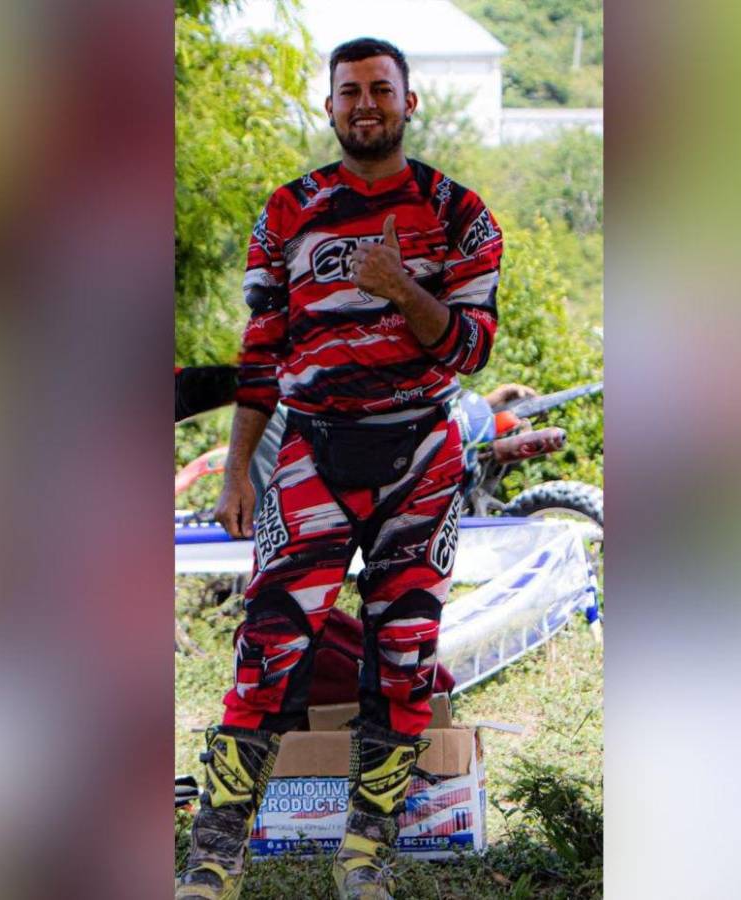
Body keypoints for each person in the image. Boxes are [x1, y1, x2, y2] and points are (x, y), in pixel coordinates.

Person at [177, 36, 502, 900]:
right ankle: (214, 857)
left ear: (409, 101)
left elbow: (470, 349)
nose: (366, 104)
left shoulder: (460, 214)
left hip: (422, 460)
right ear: (329, 107)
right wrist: (236, 472)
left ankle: (364, 858)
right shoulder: (287, 211)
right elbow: (259, 356)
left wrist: (402, 287)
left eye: (381, 89)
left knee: (404, 659)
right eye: (350, 91)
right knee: (266, 650)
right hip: (310, 454)